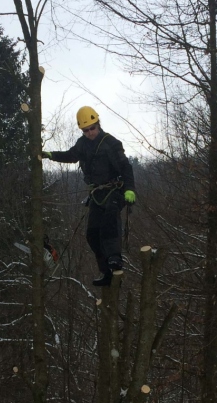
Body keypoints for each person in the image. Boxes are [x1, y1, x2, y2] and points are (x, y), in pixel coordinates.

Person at [42, 106, 136, 286]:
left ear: (98, 124)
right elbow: (71, 156)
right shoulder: (82, 144)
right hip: (97, 193)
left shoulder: (111, 143)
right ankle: (106, 272)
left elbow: (126, 167)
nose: (90, 132)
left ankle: (115, 259)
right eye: (86, 130)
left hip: (115, 190)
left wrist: (130, 189)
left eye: (92, 128)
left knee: (109, 222)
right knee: (92, 234)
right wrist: (50, 155)